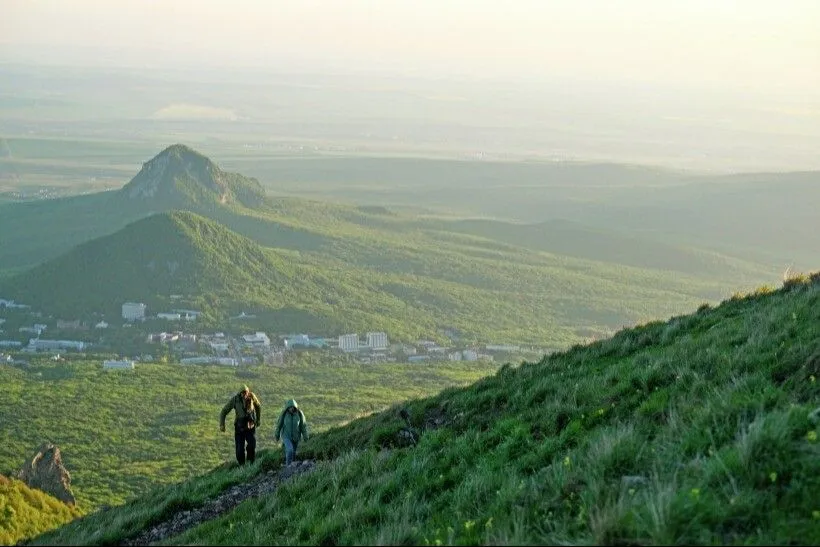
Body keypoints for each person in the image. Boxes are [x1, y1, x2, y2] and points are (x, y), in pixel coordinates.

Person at [219, 385, 261, 465]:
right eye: (242, 393)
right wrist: (222, 424)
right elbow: (224, 411)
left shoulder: (252, 397)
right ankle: (241, 465)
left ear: (248, 392)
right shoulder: (235, 400)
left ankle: (250, 462)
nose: (244, 395)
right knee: (239, 450)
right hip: (239, 428)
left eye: (245, 392)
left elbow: (258, 406)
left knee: (252, 445)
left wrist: (258, 419)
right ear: (240, 393)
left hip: (250, 426)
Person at [274, 399, 309, 466]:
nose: (291, 409)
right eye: (290, 407)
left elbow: (303, 426)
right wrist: (277, 435)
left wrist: (305, 436)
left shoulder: (299, 414)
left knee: (293, 454)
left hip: (296, 437)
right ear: (287, 407)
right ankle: (288, 467)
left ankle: (292, 470)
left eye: (292, 407)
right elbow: (279, 425)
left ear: (295, 407)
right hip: (286, 436)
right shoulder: (284, 414)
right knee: (290, 450)